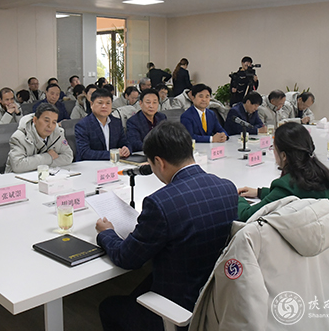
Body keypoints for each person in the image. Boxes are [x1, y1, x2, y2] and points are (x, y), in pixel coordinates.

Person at [95, 121, 238, 331]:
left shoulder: (160, 203)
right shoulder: (227, 187)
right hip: (216, 299)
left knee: (109, 307)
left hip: (180, 311)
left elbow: (126, 258)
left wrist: (107, 233)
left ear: (159, 162)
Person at [237, 122, 329, 221]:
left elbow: (246, 215)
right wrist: (259, 192)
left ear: (284, 156)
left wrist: (236, 198)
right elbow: (286, 196)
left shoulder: (288, 185)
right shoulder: (322, 174)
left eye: (274, 148)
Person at [5, 103, 73, 173]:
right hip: (17, 177)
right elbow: (18, 165)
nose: (50, 126)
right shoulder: (19, 137)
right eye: (46, 121)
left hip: (46, 175)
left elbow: (68, 157)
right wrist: (48, 157)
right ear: (35, 120)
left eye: (54, 122)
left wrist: (33, 164)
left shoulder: (58, 133)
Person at [74, 88, 131, 161]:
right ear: (91, 104)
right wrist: (111, 154)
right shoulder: (82, 125)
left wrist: (126, 149)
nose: (104, 106)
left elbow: (125, 143)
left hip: (113, 163)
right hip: (91, 165)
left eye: (108, 103)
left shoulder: (116, 122)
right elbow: (84, 152)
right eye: (100, 103)